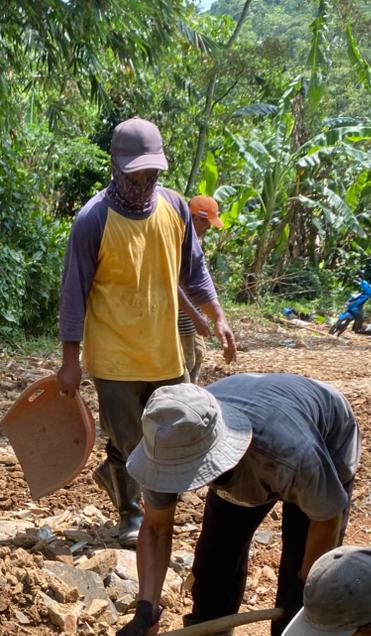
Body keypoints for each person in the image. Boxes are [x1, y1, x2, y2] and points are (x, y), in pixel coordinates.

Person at [117, 376, 360, 636]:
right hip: (251, 446)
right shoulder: (167, 438)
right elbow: (157, 527)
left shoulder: (288, 454)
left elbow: (326, 516)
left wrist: (307, 586)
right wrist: (146, 605)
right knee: (214, 568)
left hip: (323, 437)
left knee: (298, 592)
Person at [57, 117, 236, 546]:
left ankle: (140, 496)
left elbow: (195, 271)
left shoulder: (175, 208)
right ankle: (132, 512)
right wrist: (69, 362)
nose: (144, 182)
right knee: (130, 437)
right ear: (116, 167)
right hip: (114, 357)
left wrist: (218, 316)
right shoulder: (92, 220)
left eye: (152, 174)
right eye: (136, 174)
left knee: (175, 431)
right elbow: (73, 294)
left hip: (165, 351)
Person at [177, 195, 225, 382]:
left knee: (197, 355)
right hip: (181, 318)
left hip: (192, 316)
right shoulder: (179, 241)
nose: (209, 227)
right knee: (183, 365)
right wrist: (195, 316)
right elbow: (170, 283)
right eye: (205, 223)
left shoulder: (196, 241)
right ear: (195, 218)